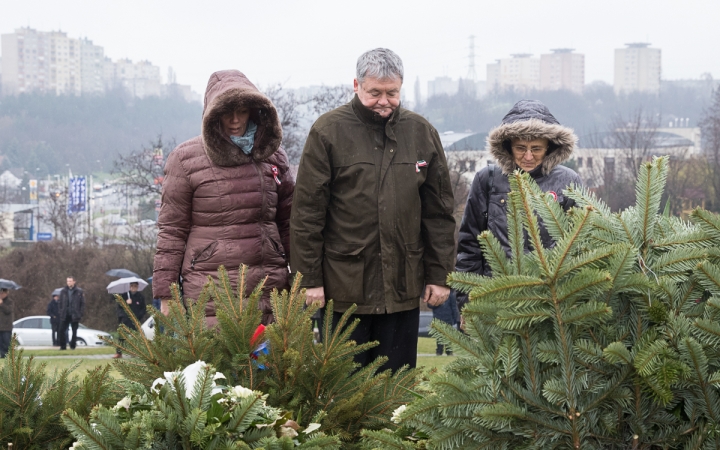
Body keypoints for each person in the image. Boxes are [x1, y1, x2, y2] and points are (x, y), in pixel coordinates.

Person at [290, 48, 456, 373]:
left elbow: (439, 214)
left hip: (403, 287)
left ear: (401, 87)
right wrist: (309, 280)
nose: (384, 100)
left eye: (392, 93)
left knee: (395, 393)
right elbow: (307, 214)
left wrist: (439, 275)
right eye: (374, 93)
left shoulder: (422, 133)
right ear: (356, 85)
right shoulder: (327, 132)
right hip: (344, 288)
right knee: (344, 391)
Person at [153, 70, 293, 326]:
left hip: (268, 281)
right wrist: (166, 293)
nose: (235, 120)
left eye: (242, 110)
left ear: (254, 110)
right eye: (227, 111)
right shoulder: (184, 160)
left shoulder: (273, 156)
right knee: (215, 364)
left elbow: (289, 223)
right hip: (211, 287)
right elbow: (172, 230)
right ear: (212, 113)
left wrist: (306, 279)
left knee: (267, 362)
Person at [455, 99, 582, 312]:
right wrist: (467, 303)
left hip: (550, 301)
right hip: (495, 298)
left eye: (537, 149)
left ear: (550, 147)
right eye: (521, 148)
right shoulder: (487, 180)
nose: (528, 156)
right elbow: (469, 245)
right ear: (508, 146)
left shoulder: (568, 181)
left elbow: (581, 244)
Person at [113, 281, 146, 359]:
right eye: (132, 286)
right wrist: (126, 304)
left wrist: (138, 316)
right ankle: (119, 353)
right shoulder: (124, 296)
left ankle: (135, 352)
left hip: (135, 320)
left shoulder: (140, 297)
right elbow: (119, 308)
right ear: (129, 286)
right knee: (122, 336)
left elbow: (143, 309)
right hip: (125, 319)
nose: (133, 287)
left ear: (137, 287)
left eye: (135, 286)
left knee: (135, 337)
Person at [428, 290, 460, 356]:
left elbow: (453, 306)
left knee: (447, 336)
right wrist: (438, 302)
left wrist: (454, 318)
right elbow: (430, 305)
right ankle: (440, 351)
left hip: (447, 317)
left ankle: (448, 351)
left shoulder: (450, 294)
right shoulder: (436, 293)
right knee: (440, 336)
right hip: (438, 317)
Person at [58, 276, 85, 350]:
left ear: (74, 282)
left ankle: (73, 346)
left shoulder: (79, 291)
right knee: (61, 330)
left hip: (75, 314)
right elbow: (60, 303)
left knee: (74, 331)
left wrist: (80, 313)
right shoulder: (63, 291)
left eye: (70, 281)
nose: (69, 282)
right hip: (65, 314)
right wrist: (61, 311)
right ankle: (63, 346)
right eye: (68, 281)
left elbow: (82, 303)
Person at [0, 288, 13, 358]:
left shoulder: (9, 301)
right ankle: (2, 355)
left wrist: (2, 304)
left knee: (6, 342)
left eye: (2, 293)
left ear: (6, 293)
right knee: (1, 343)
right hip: (0, 326)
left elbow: (8, 310)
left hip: (6, 326)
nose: (1, 295)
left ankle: (7, 355)